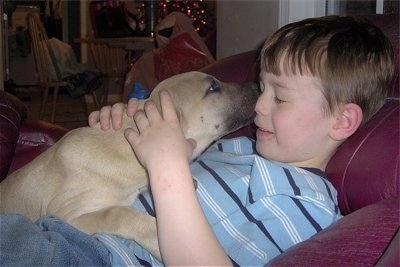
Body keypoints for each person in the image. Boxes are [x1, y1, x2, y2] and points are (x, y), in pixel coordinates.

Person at [0, 15, 393, 267]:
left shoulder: (303, 204)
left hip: (96, 256)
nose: (258, 105)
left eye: (280, 97)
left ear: (342, 121)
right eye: (261, 89)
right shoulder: (239, 148)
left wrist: (168, 168)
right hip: (66, 231)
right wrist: (126, 130)